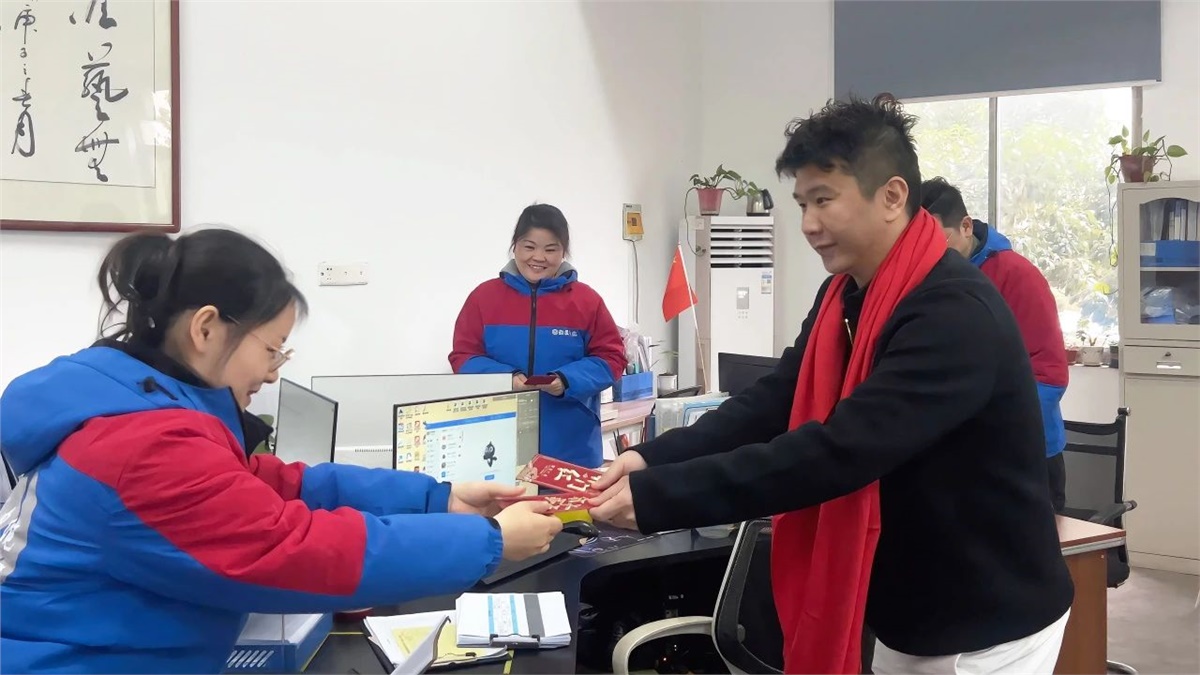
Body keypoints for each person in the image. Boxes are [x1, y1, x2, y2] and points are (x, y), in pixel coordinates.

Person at [589, 96, 1074, 675]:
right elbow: (778, 397)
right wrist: (653, 458)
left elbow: (840, 451)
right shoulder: (844, 293)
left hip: (988, 620)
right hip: (909, 608)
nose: (808, 225)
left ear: (892, 196)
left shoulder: (954, 312)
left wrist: (659, 499)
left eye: (824, 200)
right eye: (802, 204)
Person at [0, 228, 563, 674]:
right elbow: (290, 549)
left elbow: (278, 485)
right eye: (271, 349)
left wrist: (439, 500)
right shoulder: (143, 447)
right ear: (206, 329)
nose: (271, 374)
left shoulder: (138, 403)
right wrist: (488, 541)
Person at [921, 177, 1071, 512]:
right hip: (954, 458)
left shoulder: (1017, 276)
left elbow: (1050, 375)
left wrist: (989, 430)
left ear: (965, 226)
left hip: (1023, 455)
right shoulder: (927, 280)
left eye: (938, 241)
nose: (930, 254)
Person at [449, 204, 626, 468]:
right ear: (515, 247)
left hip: (571, 448)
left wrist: (566, 380)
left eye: (550, 249)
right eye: (529, 247)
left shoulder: (586, 301)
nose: (538, 257)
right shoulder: (483, 298)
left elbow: (612, 358)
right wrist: (506, 378)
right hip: (497, 446)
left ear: (563, 252)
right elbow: (463, 357)